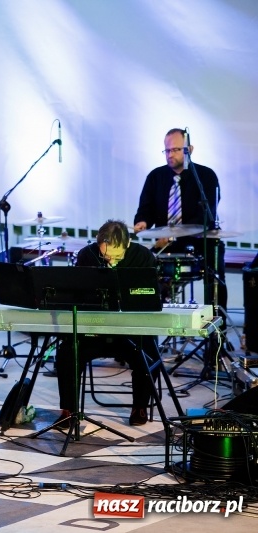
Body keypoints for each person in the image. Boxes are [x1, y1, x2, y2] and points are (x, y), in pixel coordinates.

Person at [54, 220, 160, 427]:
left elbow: (151, 298)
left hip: (131, 331)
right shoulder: (87, 255)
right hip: (95, 329)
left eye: (116, 255)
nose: (110, 260)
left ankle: (140, 406)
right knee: (67, 352)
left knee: (150, 355)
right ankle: (69, 409)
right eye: (105, 255)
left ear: (127, 245)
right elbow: (77, 294)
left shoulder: (143, 257)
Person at [134, 128, 226, 310]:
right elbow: (145, 209)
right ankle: (149, 326)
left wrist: (177, 234)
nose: (170, 155)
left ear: (189, 149)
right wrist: (142, 221)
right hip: (165, 244)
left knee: (216, 275)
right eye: (167, 150)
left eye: (175, 150)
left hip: (199, 242)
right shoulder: (155, 177)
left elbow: (207, 216)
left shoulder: (206, 176)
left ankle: (217, 329)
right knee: (141, 270)